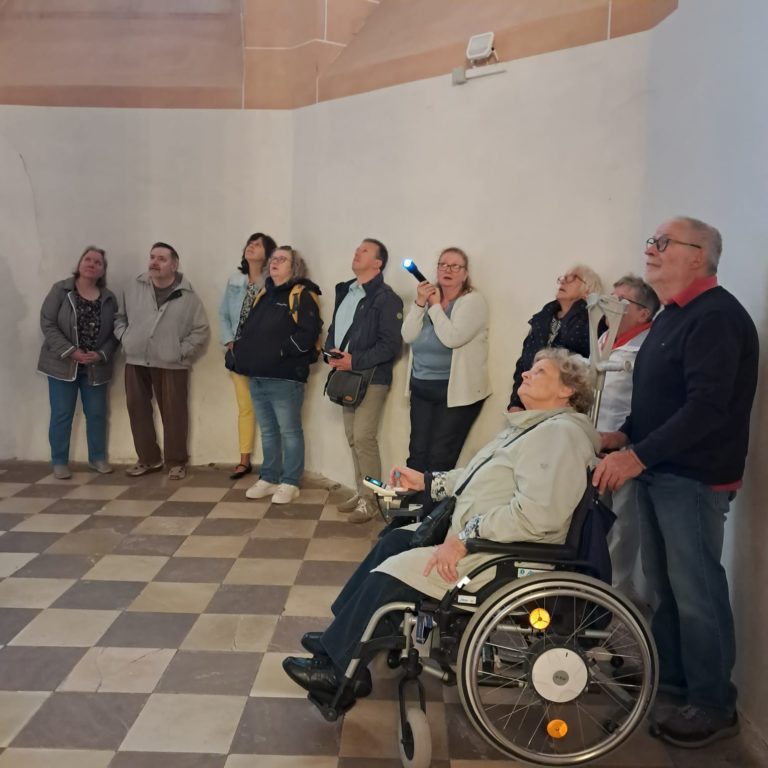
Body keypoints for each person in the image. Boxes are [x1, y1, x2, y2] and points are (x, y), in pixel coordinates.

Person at [283, 348, 599, 706]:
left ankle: (342, 674)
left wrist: (464, 539)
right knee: (394, 541)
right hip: (481, 542)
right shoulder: (532, 428)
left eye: (539, 372)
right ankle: (337, 642)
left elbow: (538, 517)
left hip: (499, 558)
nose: (525, 374)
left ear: (567, 391)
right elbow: (478, 479)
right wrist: (428, 481)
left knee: (395, 571)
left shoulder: (558, 436)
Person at [594, 217, 759, 748]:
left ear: (698, 255)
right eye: (651, 240)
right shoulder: (673, 315)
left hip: (692, 479)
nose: (650, 250)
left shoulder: (716, 317)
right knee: (663, 587)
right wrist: (624, 437)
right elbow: (662, 398)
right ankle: (672, 684)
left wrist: (638, 455)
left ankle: (713, 705)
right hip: (661, 471)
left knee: (697, 593)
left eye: (663, 243)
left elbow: (706, 408)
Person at [231, 246, 322, 504]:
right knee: (269, 431)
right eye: (274, 259)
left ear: (294, 267)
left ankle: (290, 481)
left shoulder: (302, 293)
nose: (275, 263)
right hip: (258, 375)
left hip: (285, 376)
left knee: (289, 430)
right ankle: (269, 477)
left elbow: (308, 332)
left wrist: (282, 352)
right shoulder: (265, 293)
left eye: (282, 259)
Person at [114, 242, 210, 481]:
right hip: (136, 359)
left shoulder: (188, 296)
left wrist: (180, 351)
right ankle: (148, 459)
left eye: (162, 259)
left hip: (171, 363)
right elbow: (120, 318)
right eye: (152, 257)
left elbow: (200, 329)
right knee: (137, 409)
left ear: (174, 265)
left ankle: (176, 462)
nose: (154, 262)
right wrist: (126, 338)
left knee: (174, 412)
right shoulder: (133, 288)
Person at [325, 238, 404, 523]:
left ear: (378, 263)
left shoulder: (386, 298)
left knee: (363, 438)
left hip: (371, 377)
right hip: (346, 375)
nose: (357, 252)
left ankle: (372, 500)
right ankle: (361, 492)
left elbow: (391, 345)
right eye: (357, 248)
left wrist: (354, 360)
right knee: (352, 438)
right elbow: (336, 328)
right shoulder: (346, 291)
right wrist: (330, 353)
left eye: (365, 251)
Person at [595, 275, 659, 603]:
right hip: (598, 443)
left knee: (622, 525)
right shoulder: (606, 336)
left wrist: (623, 438)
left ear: (644, 313)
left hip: (627, 446)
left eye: (620, 301)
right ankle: (595, 587)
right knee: (597, 520)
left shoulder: (648, 344)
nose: (610, 307)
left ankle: (617, 595)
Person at [401, 247, 490, 472]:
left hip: (455, 393)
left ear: (465, 273)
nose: (447, 270)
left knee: (440, 457)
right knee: (417, 453)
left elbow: (453, 338)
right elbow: (407, 335)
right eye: (442, 265)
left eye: (454, 266)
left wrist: (435, 307)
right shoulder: (428, 299)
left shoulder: (472, 301)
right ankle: (411, 505)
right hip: (421, 387)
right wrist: (420, 303)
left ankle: (433, 507)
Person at [37, 246, 118, 479]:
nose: (92, 264)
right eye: (88, 259)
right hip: (62, 365)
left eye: (98, 262)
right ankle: (59, 461)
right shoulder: (61, 290)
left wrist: (100, 354)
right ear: (80, 263)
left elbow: (115, 334)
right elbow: (47, 323)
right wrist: (71, 351)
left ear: (103, 270)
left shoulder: (109, 298)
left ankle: (98, 458)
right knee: (62, 414)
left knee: (97, 414)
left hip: (95, 368)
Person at [218, 232, 277, 479]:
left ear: (268, 253)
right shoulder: (235, 281)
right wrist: (230, 341)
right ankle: (244, 459)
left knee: (268, 409)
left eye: (257, 244)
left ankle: (273, 463)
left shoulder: (273, 282)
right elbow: (223, 314)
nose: (251, 247)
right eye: (249, 244)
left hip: (264, 356)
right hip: (238, 354)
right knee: (245, 408)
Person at [507, 265, 602, 411]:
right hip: (529, 403)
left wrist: (579, 309)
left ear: (587, 290)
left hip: (563, 404)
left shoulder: (592, 322)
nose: (563, 281)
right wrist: (515, 403)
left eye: (572, 278)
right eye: (563, 278)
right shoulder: (542, 318)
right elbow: (524, 363)